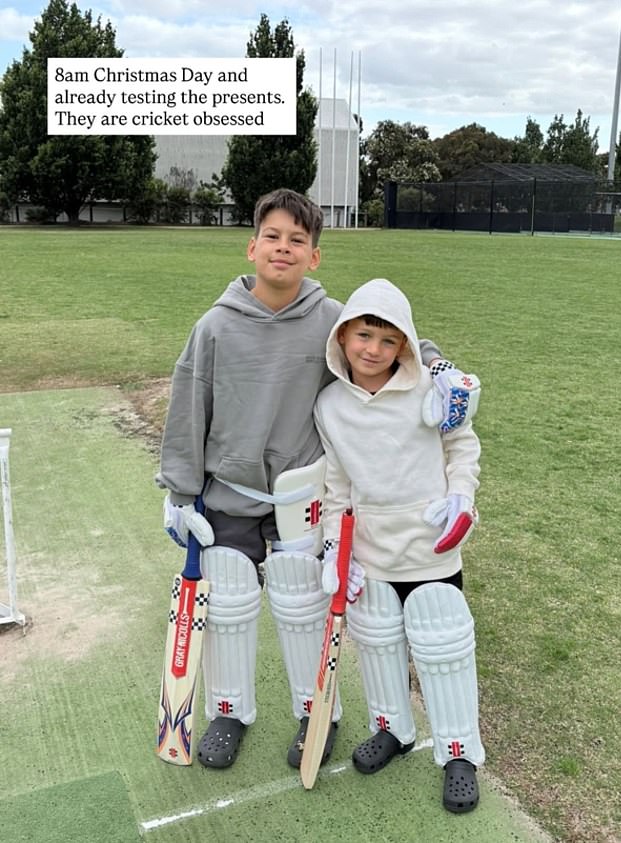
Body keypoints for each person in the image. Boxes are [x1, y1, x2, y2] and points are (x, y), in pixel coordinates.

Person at [157, 188, 480, 773]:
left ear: (314, 257)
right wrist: (180, 493)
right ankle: (228, 711)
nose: (284, 249)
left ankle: (316, 712)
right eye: (273, 238)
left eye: (298, 241)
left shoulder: (333, 321)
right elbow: (188, 407)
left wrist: (441, 369)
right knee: (228, 600)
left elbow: (404, 338)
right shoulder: (215, 326)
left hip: (304, 491)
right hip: (229, 489)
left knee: (302, 601)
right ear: (252, 245)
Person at [313, 277, 484, 813]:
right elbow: (336, 486)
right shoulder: (329, 405)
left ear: (405, 346)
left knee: (442, 648)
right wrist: (333, 549)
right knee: (379, 645)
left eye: (388, 341)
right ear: (342, 337)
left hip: (431, 545)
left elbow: (463, 445)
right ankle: (392, 728)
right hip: (370, 553)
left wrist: (461, 496)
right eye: (363, 336)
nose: (373, 350)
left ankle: (458, 752)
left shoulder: (429, 393)